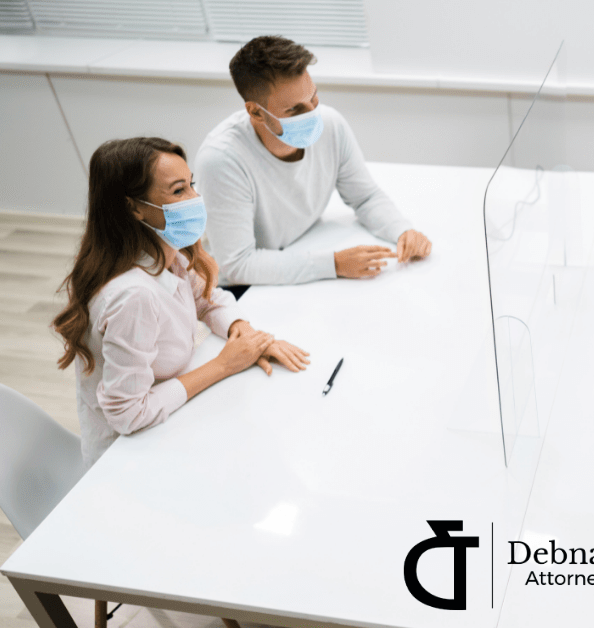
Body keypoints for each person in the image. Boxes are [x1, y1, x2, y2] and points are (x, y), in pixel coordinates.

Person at [54, 137, 310, 469]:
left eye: (191, 185)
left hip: (170, 422)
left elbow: (207, 297)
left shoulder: (163, 252)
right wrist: (224, 364)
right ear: (133, 207)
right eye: (178, 192)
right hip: (130, 458)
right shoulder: (134, 296)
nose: (195, 200)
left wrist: (243, 334)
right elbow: (129, 415)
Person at [196, 35, 432, 295]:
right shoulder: (221, 159)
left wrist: (402, 230)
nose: (312, 114)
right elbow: (237, 264)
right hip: (247, 288)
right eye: (295, 110)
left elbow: (364, 197)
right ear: (256, 112)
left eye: (314, 98)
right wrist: (334, 263)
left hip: (303, 248)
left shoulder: (331, 125)